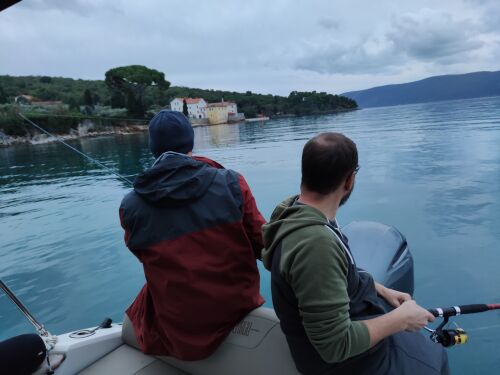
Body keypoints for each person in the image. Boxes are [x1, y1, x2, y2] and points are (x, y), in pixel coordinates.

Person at [262, 132, 449, 374]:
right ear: (349, 180)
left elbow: (334, 273)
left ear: (306, 174)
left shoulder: (295, 212)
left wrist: (379, 288)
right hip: (344, 364)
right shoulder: (315, 245)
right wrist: (401, 319)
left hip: (349, 331)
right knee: (435, 358)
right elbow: (335, 346)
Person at [119, 110, 265, 360]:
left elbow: (143, 255)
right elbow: (264, 244)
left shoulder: (130, 206)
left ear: (152, 147)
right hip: (236, 307)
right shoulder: (232, 182)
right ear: (191, 142)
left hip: (178, 323)